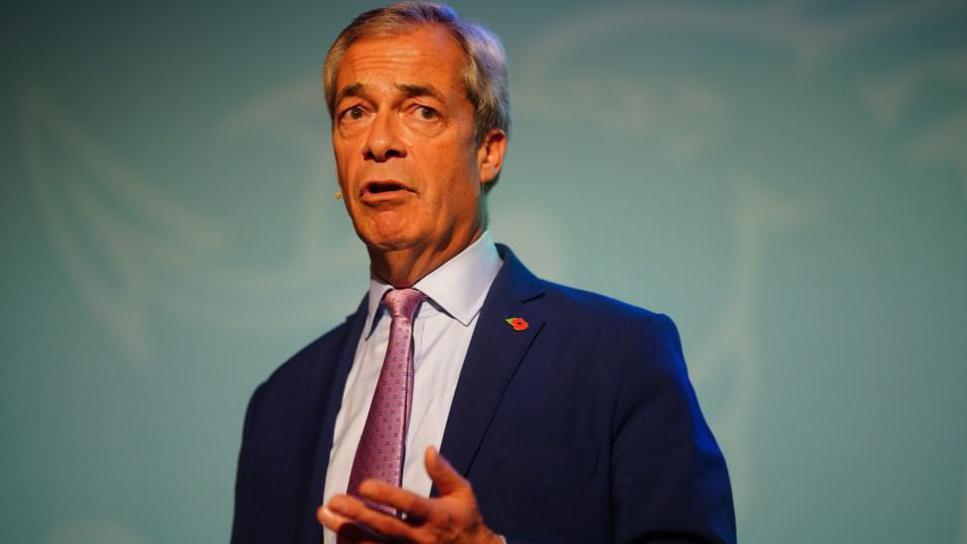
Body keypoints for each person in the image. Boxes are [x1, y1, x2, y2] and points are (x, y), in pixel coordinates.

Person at [230, 3, 736, 543]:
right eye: (354, 112)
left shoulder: (618, 356)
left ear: (489, 151)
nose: (379, 142)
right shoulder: (281, 402)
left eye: (420, 110)